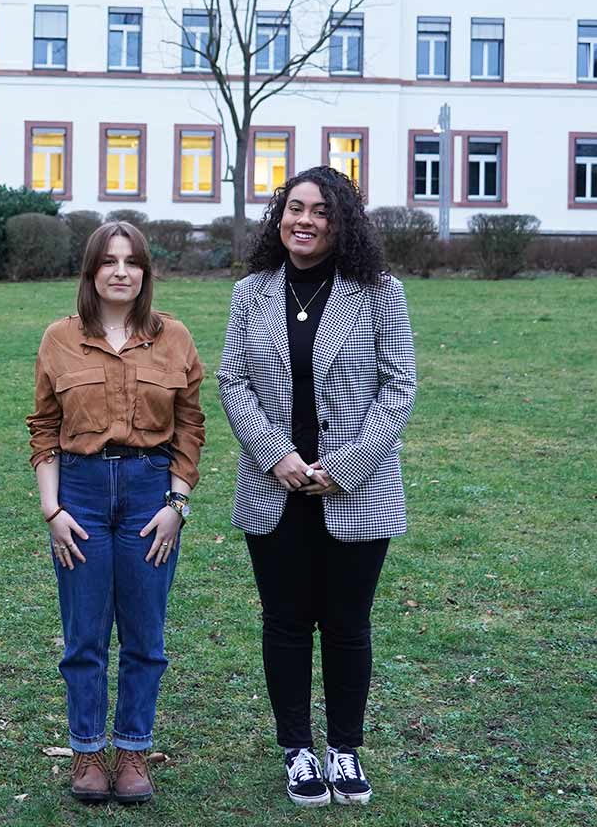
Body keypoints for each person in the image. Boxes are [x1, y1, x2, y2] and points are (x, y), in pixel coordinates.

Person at [216, 166, 417, 809]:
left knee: (348, 623)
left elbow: (399, 386)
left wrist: (345, 467)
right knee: (285, 621)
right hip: (272, 487)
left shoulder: (380, 292)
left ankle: (345, 750)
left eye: (320, 211)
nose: (303, 220)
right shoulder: (252, 292)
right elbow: (232, 383)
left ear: (342, 223)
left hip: (356, 488)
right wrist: (278, 457)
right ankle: (299, 749)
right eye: (293, 207)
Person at [27, 221, 206, 805]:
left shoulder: (173, 338)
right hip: (77, 492)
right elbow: (44, 429)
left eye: (132, 262)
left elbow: (190, 427)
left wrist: (178, 503)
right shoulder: (59, 337)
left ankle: (132, 750)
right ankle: (86, 753)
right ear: (92, 271)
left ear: (146, 273)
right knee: (83, 636)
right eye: (109, 261)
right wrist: (51, 509)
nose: (121, 271)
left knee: (145, 635)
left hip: (149, 492)